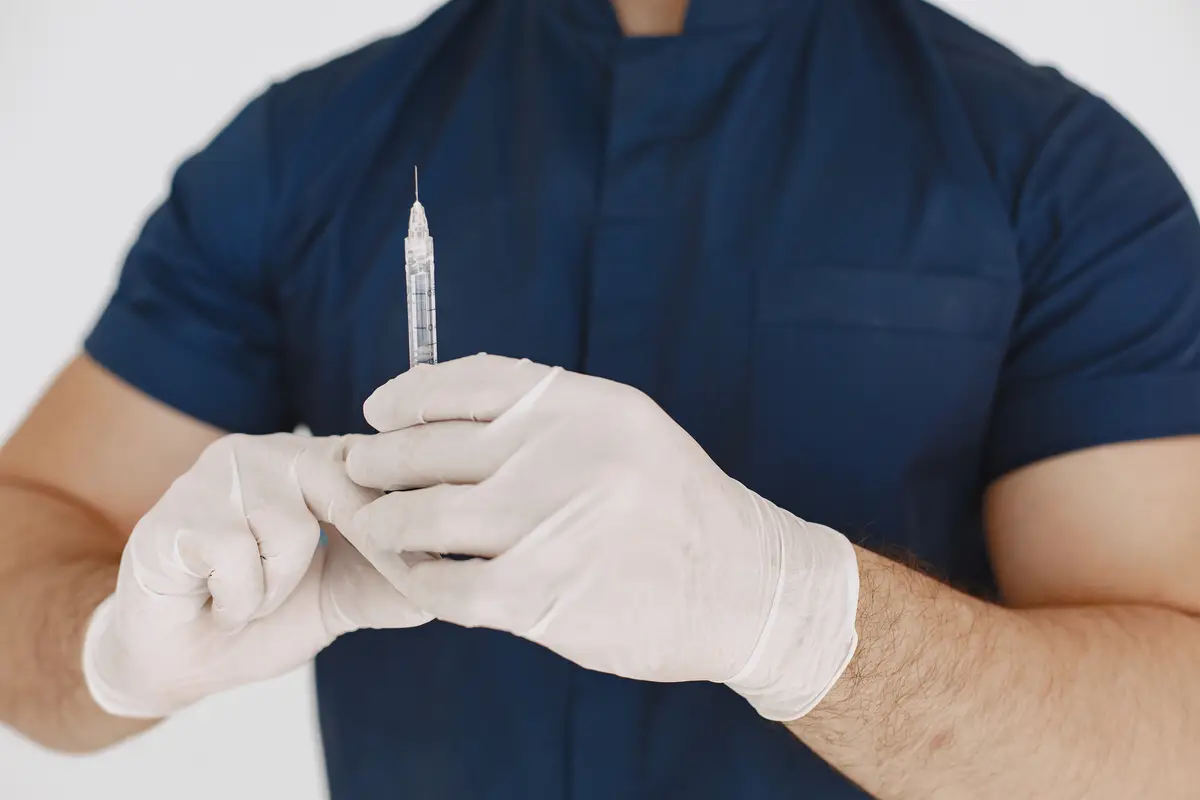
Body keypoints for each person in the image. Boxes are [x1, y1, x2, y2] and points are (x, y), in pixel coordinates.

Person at [2, 0, 1199, 796]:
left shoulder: (1051, 173)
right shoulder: (303, 155)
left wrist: (795, 612)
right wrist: (113, 647)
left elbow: (1172, 731)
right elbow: (26, 542)